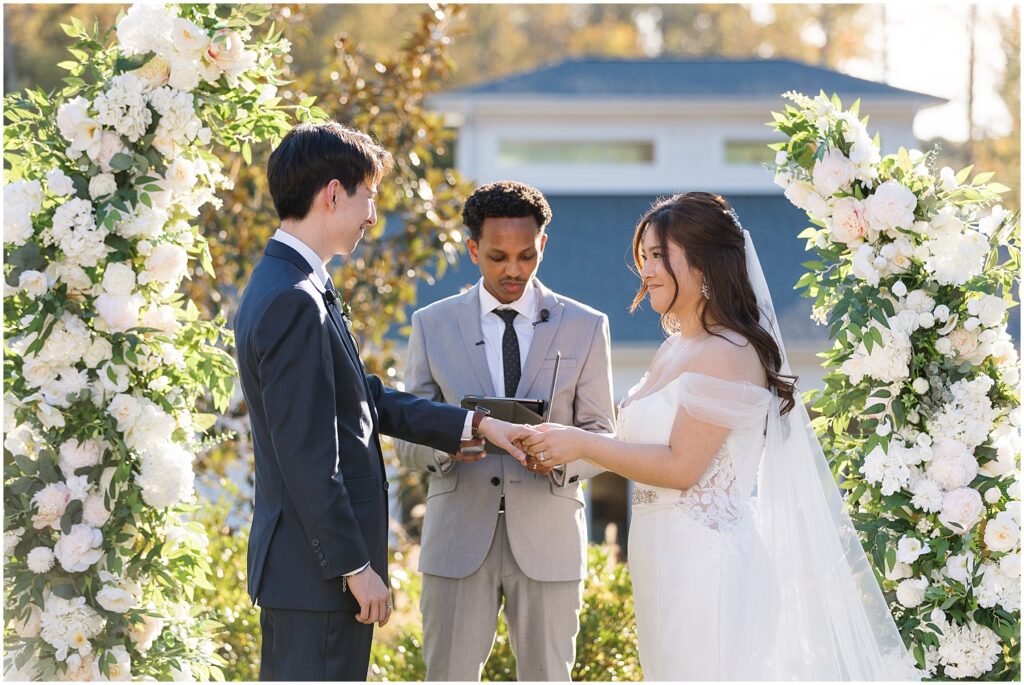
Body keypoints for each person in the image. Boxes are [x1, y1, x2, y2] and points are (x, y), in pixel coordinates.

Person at [522, 192, 921, 680]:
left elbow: (682, 468)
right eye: (643, 256)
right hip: (661, 557)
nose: (645, 271)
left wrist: (580, 443)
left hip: (706, 565)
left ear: (705, 262)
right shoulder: (674, 348)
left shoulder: (728, 352)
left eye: (658, 256)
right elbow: (633, 449)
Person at [233, 122, 531, 681]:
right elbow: (306, 454)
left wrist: (476, 426)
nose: (373, 215)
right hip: (318, 579)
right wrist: (354, 567)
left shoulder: (292, 284)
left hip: (307, 576)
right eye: (369, 196)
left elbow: (361, 398)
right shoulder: (294, 299)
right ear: (333, 193)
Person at [394, 181, 615, 680]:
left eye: (525, 255)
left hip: (549, 540)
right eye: (497, 257)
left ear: (543, 245)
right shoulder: (432, 324)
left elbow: (602, 434)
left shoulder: (586, 325)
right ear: (472, 249)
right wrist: (454, 442)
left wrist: (560, 455)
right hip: (456, 541)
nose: (513, 270)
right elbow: (407, 437)